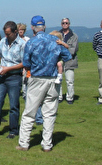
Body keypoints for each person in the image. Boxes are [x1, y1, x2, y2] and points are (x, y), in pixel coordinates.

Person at [17, 16, 71, 152]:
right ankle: (47, 145)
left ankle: (24, 143)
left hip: (36, 79)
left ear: (32, 27)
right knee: (49, 113)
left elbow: (27, 63)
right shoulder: (55, 40)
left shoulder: (31, 42)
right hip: (53, 79)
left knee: (30, 112)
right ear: (44, 27)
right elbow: (67, 57)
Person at [0, 21, 25, 140]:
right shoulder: (3, 41)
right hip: (1, 77)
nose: (6, 36)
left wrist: (8, 68)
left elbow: (24, 63)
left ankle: (13, 130)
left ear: (15, 32)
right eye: (5, 34)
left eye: (8, 34)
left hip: (14, 77)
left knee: (13, 105)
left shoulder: (22, 44)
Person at [59, 18, 79, 104]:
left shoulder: (74, 36)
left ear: (69, 24)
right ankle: (59, 97)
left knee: (70, 80)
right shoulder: (58, 34)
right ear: (61, 24)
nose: (65, 24)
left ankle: (70, 97)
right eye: (63, 23)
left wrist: (63, 44)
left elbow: (73, 50)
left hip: (70, 61)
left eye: (66, 23)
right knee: (58, 80)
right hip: (59, 60)